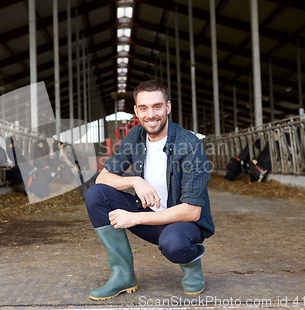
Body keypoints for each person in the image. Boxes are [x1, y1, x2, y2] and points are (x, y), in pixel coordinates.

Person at [85, 80, 215, 300]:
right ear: (136, 111)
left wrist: (134, 219)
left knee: (174, 244)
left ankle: (192, 265)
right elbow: (102, 178)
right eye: (143, 108)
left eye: (157, 106)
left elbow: (192, 211)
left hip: (183, 224)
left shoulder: (190, 145)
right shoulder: (136, 136)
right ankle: (123, 275)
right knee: (96, 195)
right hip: (150, 214)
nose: (151, 115)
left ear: (168, 107)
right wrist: (134, 181)